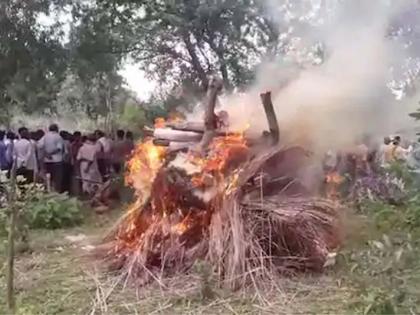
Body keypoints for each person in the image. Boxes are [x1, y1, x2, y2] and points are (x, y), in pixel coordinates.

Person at [38, 124, 65, 192]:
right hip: (57, 160)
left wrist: (46, 153)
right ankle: (56, 192)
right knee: (57, 178)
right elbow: (59, 148)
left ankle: (49, 191)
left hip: (47, 161)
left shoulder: (45, 136)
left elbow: (39, 146)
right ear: (57, 129)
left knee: (48, 177)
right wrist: (51, 153)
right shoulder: (58, 137)